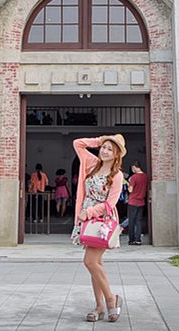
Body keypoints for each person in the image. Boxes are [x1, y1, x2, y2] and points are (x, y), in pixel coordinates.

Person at [71, 135, 125, 323]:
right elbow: (78, 143)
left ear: (117, 154)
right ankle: (100, 306)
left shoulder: (117, 175)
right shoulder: (92, 162)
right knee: (96, 264)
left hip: (101, 219)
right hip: (86, 220)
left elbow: (111, 203)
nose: (105, 151)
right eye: (104, 147)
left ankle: (111, 299)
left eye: (110, 149)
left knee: (90, 261)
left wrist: (90, 211)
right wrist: (102, 138)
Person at [127, 162, 149, 245]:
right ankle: (138, 239)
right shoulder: (145, 176)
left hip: (133, 201)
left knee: (131, 221)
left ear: (134, 167)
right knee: (138, 221)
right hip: (141, 201)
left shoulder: (134, 177)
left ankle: (131, 240)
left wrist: (128, 184)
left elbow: (130, 190)